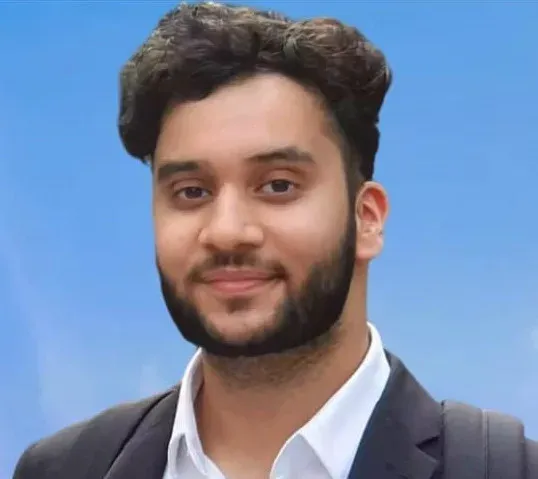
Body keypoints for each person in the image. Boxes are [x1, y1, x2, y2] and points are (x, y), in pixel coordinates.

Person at [13, 2, 537, 479]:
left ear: (368, 218)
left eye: (278, 186)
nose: (226, 231)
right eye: (191, 191)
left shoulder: (505, 470)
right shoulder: (63, 469)